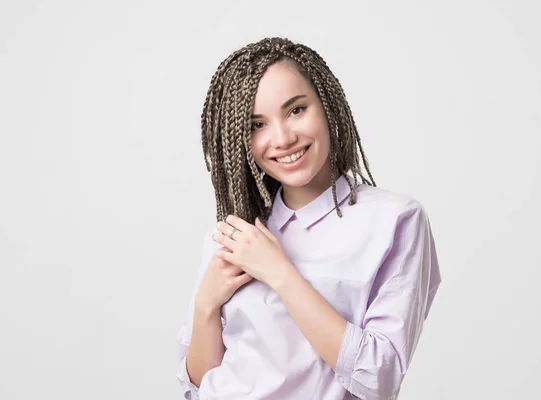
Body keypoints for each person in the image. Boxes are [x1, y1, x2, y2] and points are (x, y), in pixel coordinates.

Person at [176, 37, 441, 400]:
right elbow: (198, 388)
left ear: (327, 105)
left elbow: (379, 379)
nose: (282, 138)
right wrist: (206, 305)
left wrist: (280, 273)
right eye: (257, 125)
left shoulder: (394, 221)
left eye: (296, 110)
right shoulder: (234, 236)